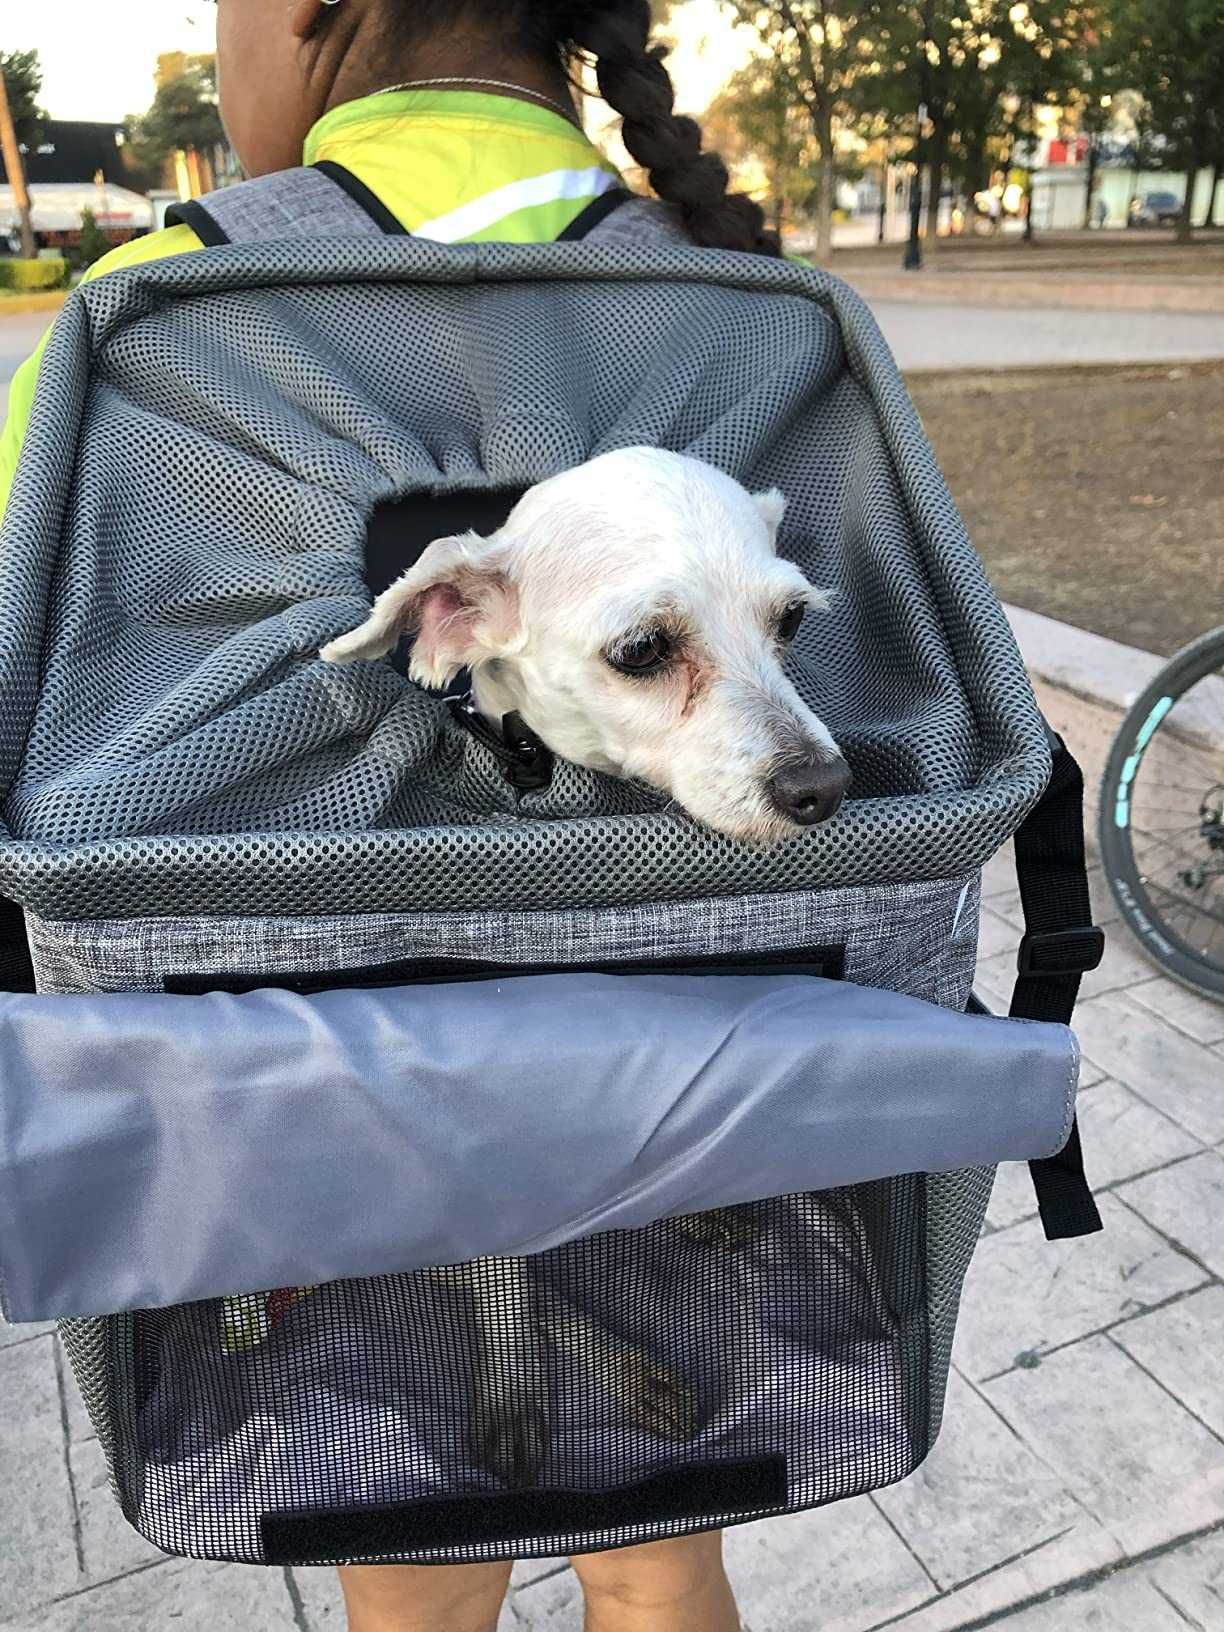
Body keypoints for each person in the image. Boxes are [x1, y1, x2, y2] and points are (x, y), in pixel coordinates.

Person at [0, 4, 776, 1629]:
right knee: (663, 1550)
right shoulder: (755, 304)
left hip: (316, 1114)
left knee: (410, 1552)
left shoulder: (149, 311)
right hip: (696, 1093)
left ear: (306, 16)